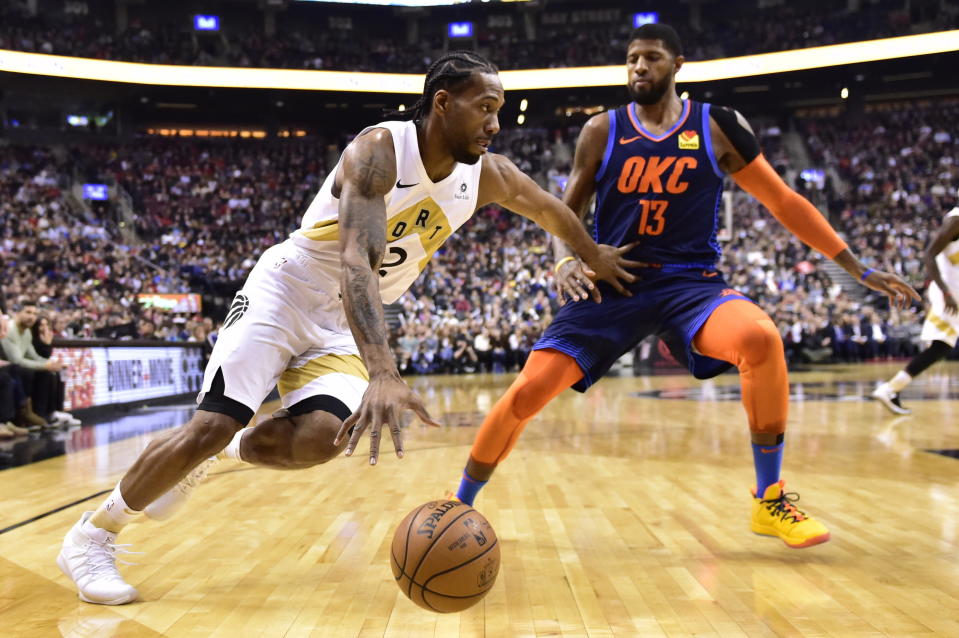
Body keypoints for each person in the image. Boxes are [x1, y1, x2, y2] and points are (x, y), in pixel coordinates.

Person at [57, 51, 639, 606]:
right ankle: (93, 536)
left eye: (499, 109)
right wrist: (383, 370)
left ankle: (224, 453)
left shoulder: (488, 175)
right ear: (442, 104)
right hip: (287, 293)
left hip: (342, 323)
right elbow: (356, 261)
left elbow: (550, 210)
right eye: (484, 107)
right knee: (210, 423)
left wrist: (592, 254)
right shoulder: (379, 149)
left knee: (322, 439)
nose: (496, 122)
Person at [451, 24, 919, 549]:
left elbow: (784, 202)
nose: (639, 68)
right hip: (613, 283)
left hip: (691, 286)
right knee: (527, 393)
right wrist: (564, 260)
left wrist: (855, 267)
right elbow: (565, 212)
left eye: (651, 58)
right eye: (631, 59)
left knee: (761, 338)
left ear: (678, 64)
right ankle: (456, 507)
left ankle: (770, 501)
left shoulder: (718, 126)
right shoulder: (601, 131)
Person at [872, 202, 959, 414]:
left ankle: (891, 389)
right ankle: (890, 389)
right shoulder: (956, 220)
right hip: (949, 295)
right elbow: (929, 254)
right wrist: (946, 293)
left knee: (942, 347)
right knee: (941, 346)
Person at [0, 300, 71, 427]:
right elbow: (16, 360)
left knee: (49, 374)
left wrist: (51, 364)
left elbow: (34, 356)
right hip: (9, 368)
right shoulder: (10, 329)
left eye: (34, 314)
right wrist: (45, 365)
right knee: (26, 372)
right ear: (17, 313)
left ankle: (45, 414)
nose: (32, 317)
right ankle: (22, 416)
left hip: (14, 368)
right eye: (28, 312)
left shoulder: (27, 332)